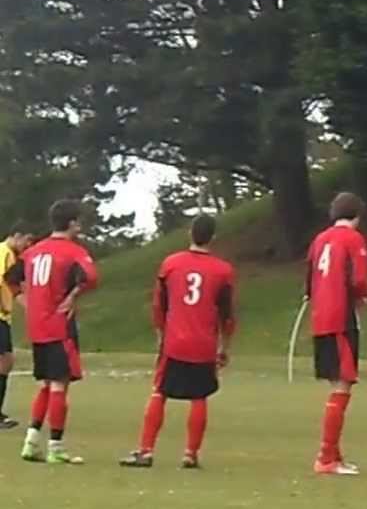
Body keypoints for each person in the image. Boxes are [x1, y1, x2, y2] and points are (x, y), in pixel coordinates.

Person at [121, 215, 236, 469]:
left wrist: (161, 334)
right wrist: (224, 346)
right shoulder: (223, 271)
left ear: (189, 234)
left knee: (159, 392)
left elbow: (159, 304)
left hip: (174, 341)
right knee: (200, 396)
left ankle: (146, 450)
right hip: (204, 343)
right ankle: (190, 454)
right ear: (213, 238)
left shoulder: (171, 264)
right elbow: (227, 314)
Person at [3, 200, 99, 464]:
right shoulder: (73, 251)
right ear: (71, 223)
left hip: (38, 328)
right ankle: (56, 446)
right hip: (59, 326)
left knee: (46, 384)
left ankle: (31, 442)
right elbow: (91, 277)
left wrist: (27, 303)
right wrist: (72, 297)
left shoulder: (34, 251)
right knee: (59, 384)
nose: (80, 226)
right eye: (78, 221)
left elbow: (11, 279)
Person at [306, 192, 367, 476]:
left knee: (337, 381)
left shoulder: (320, 239)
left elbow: (309, 278)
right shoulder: (353, 239)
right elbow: (358, 278)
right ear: (357, 215)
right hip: (341, 318)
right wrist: (362, 297)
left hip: (320, 317)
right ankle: (325, 457)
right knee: (343, 384)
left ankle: (334, 453)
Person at [0, 222, 37, 429]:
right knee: (5, 359)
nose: (27, 245)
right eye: (26, 240)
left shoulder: (9, 255)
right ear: (16, 236)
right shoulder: (5, 253)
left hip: (3, 317)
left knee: (5, 360)